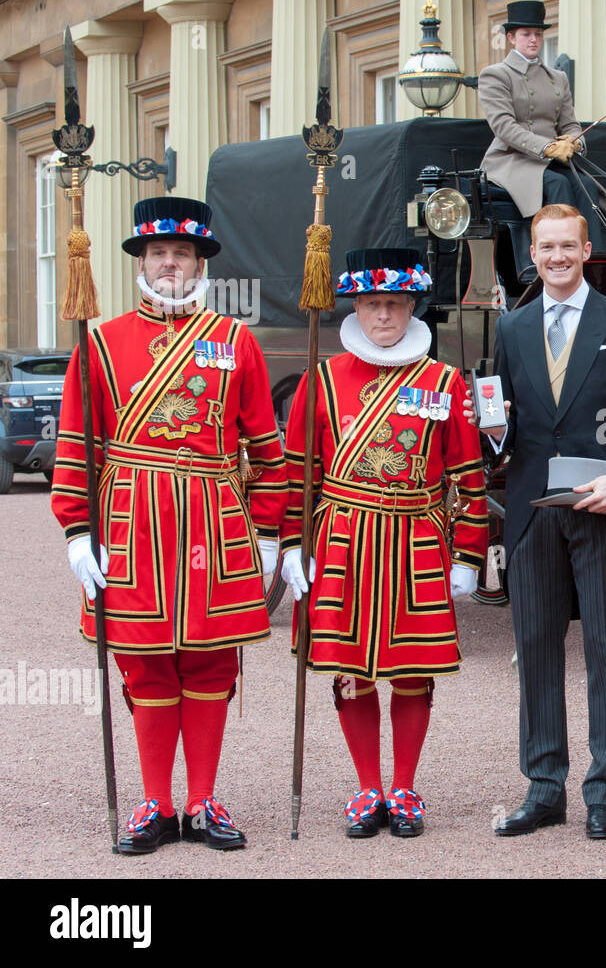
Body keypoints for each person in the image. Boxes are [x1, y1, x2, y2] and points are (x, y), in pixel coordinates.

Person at [52, 196, 286, 854]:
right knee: (145, 666)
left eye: (182, 254)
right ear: (143, 262)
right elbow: (77, 448)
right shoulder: (99, 341)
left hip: (215, 531)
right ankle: (155, 803)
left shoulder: (235, 341)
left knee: (211, 665)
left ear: (199, 262)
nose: (170, 265)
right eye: (159, 254)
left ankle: (202, 799)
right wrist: (77, 531)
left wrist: (267, 535)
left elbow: (268, 455)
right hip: (131, 528)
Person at [279, 248, 487, 839]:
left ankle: (405, 785)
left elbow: (467, 475)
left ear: (413, 306)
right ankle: (367, 785)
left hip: (417, 540)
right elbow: (299, 472)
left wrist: (469, 555)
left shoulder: (444, 382)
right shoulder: (323, 377)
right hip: (343, 537)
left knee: (412, 670)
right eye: (372, 304)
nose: (383, 316)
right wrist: (294, 545)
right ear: (357, 307)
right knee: (351, 669)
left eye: (394, 304)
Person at [473, 204, 606, 841]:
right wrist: (493, 432)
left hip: (601, 507)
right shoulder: (514, 327)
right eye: (545, 247)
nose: (556, 257)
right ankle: (544, 788)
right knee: (538, 653)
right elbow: (508, 423)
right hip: (529, 512)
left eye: (567, 246)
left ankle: (605, 791)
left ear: (585, 249)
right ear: (533, 252)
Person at [477, 0, 606, 252]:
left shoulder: (557, 77)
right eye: (526, 34)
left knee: (586, 186)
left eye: (538, 34)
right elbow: (504, 127)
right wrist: (547, 147)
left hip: (552, 159)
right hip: (513, 159)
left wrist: (574, 141)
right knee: (558, 184)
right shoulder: (496, 74)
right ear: (511, 37)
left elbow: (571, 123)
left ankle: (595, 257)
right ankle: (558, 253)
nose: (533, 39)